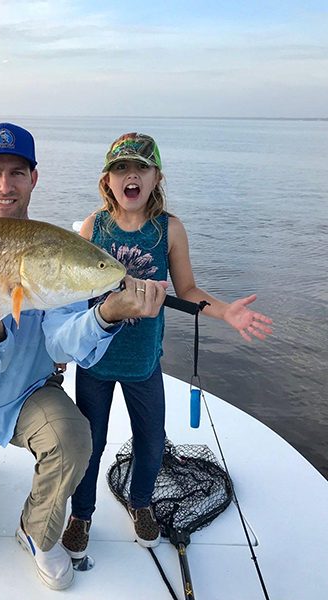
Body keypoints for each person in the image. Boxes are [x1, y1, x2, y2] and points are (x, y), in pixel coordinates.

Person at [0, 123, 168, 591]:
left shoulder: (52, 251)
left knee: (74, 438)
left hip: (26, 396)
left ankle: (36, 532)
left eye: (17, 173)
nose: (5, 186)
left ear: (35, 179)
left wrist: (107, 312)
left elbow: (61, 343)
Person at [61, 132, 273, 558]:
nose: (131, 175)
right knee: (91, 441)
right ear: (108, 180)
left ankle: (141, 504)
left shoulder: (169, 229)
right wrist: (59, 353)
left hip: (143, 362)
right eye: (121, 168)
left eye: (141, 167)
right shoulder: (93, 226)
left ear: (156, 176)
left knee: (151, 441)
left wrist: (226, 311)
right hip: (96, 360)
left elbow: (189, 290)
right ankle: (81, 514)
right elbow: (74, 297)